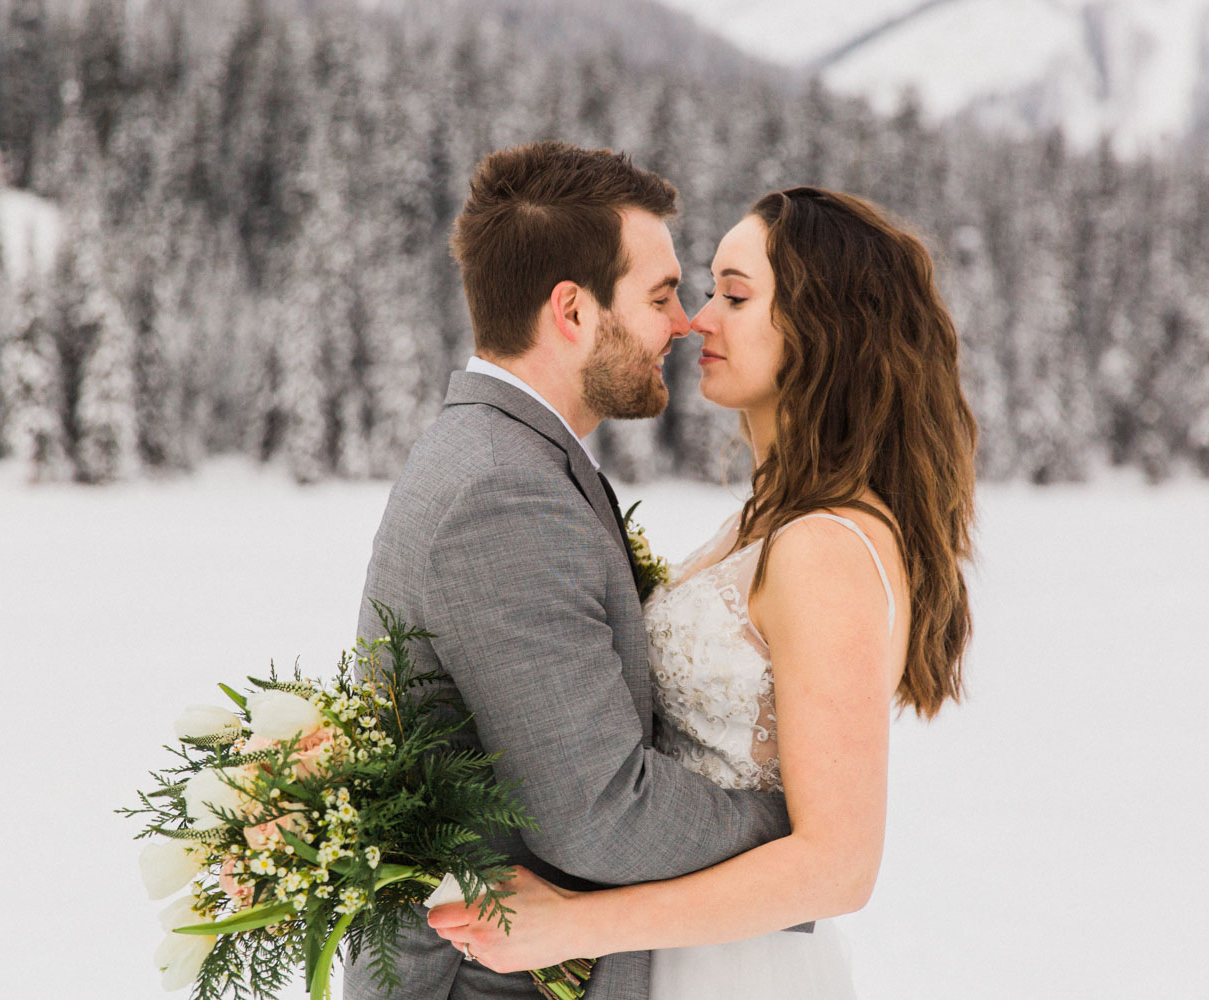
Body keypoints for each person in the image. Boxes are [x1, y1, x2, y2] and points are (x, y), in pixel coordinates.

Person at [426, 187, 978, 998]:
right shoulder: (763, 525)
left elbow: (838, 866)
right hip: (677, 951)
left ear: (826, 328)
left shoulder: (824, 547)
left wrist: (574, 924)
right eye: (705, 291)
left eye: (734, 294)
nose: (696, 320)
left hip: (739, 968)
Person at [346, 143, 802, 1000]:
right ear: (572, 311)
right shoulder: (500, 490)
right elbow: (601, 814)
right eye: (661, 295)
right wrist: (798, 833)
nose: (685, 321)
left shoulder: (514, 456)